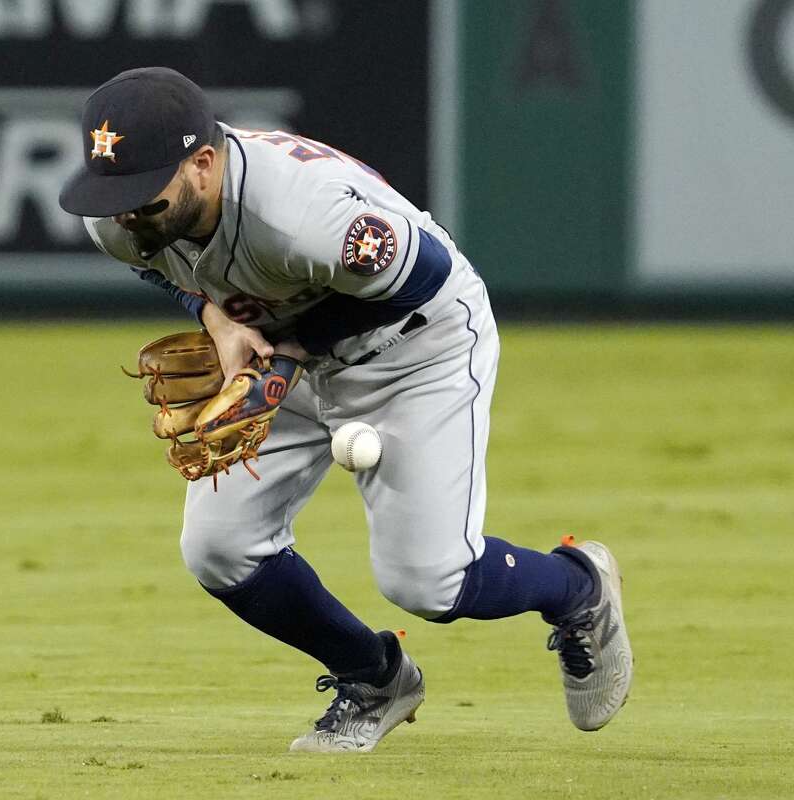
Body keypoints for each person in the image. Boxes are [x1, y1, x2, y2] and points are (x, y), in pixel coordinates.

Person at [58, 67, 632, 752]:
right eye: (111, 194)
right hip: (283, 353)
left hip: (413, 349)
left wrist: (288, 352)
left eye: (142, 197)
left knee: (429, 582)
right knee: (219, 549)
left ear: (203, 164)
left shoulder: (305, 214)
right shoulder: (118, 218)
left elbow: (423, 278)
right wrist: (215, 317)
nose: (123, 213)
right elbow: (158, 262)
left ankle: (577, 588)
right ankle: (374, 677)